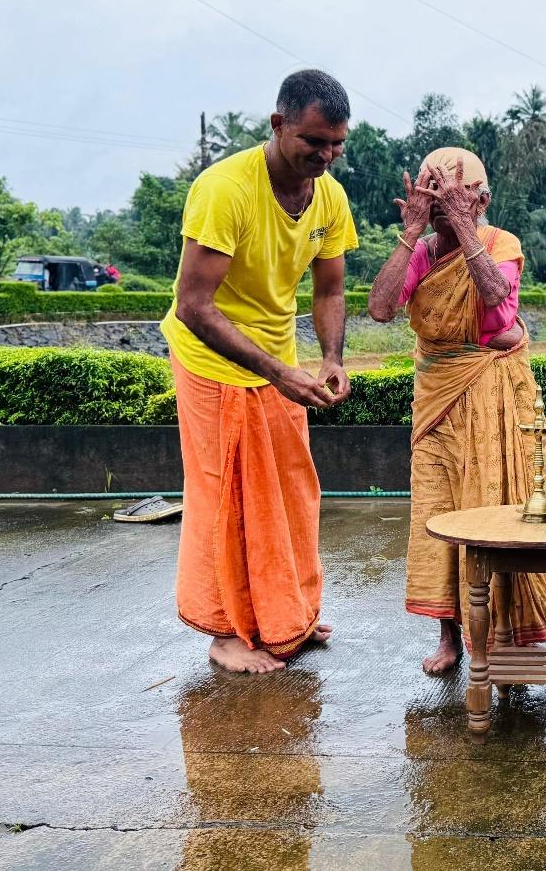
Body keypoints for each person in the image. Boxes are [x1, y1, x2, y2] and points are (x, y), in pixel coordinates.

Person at [160, 69, 359, 673]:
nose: (325, 156)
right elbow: (194, 306)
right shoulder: (225, 189)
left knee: (291, 493)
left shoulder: (328, 196)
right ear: (278, 126)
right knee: (224, 498)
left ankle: (285, 612)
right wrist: (278, 371)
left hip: (276, 363)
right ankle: (224, 632)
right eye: (313, 142)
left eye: (336, 145)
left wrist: (329, 358)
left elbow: (329, 290)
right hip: (211, 361)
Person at [367, 147, 546, 674]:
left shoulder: (502, 244)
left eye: (458, 194)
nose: (446, 204)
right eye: (436, 195)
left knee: (500, 504)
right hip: (437, 398)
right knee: (436, 512)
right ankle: (449, 635)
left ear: (483, 198)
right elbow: (381, 308)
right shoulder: (423, 252)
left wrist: (464, 228)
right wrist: (410, 232)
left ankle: (508, 632)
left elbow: (498, 302)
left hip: (496, 391)